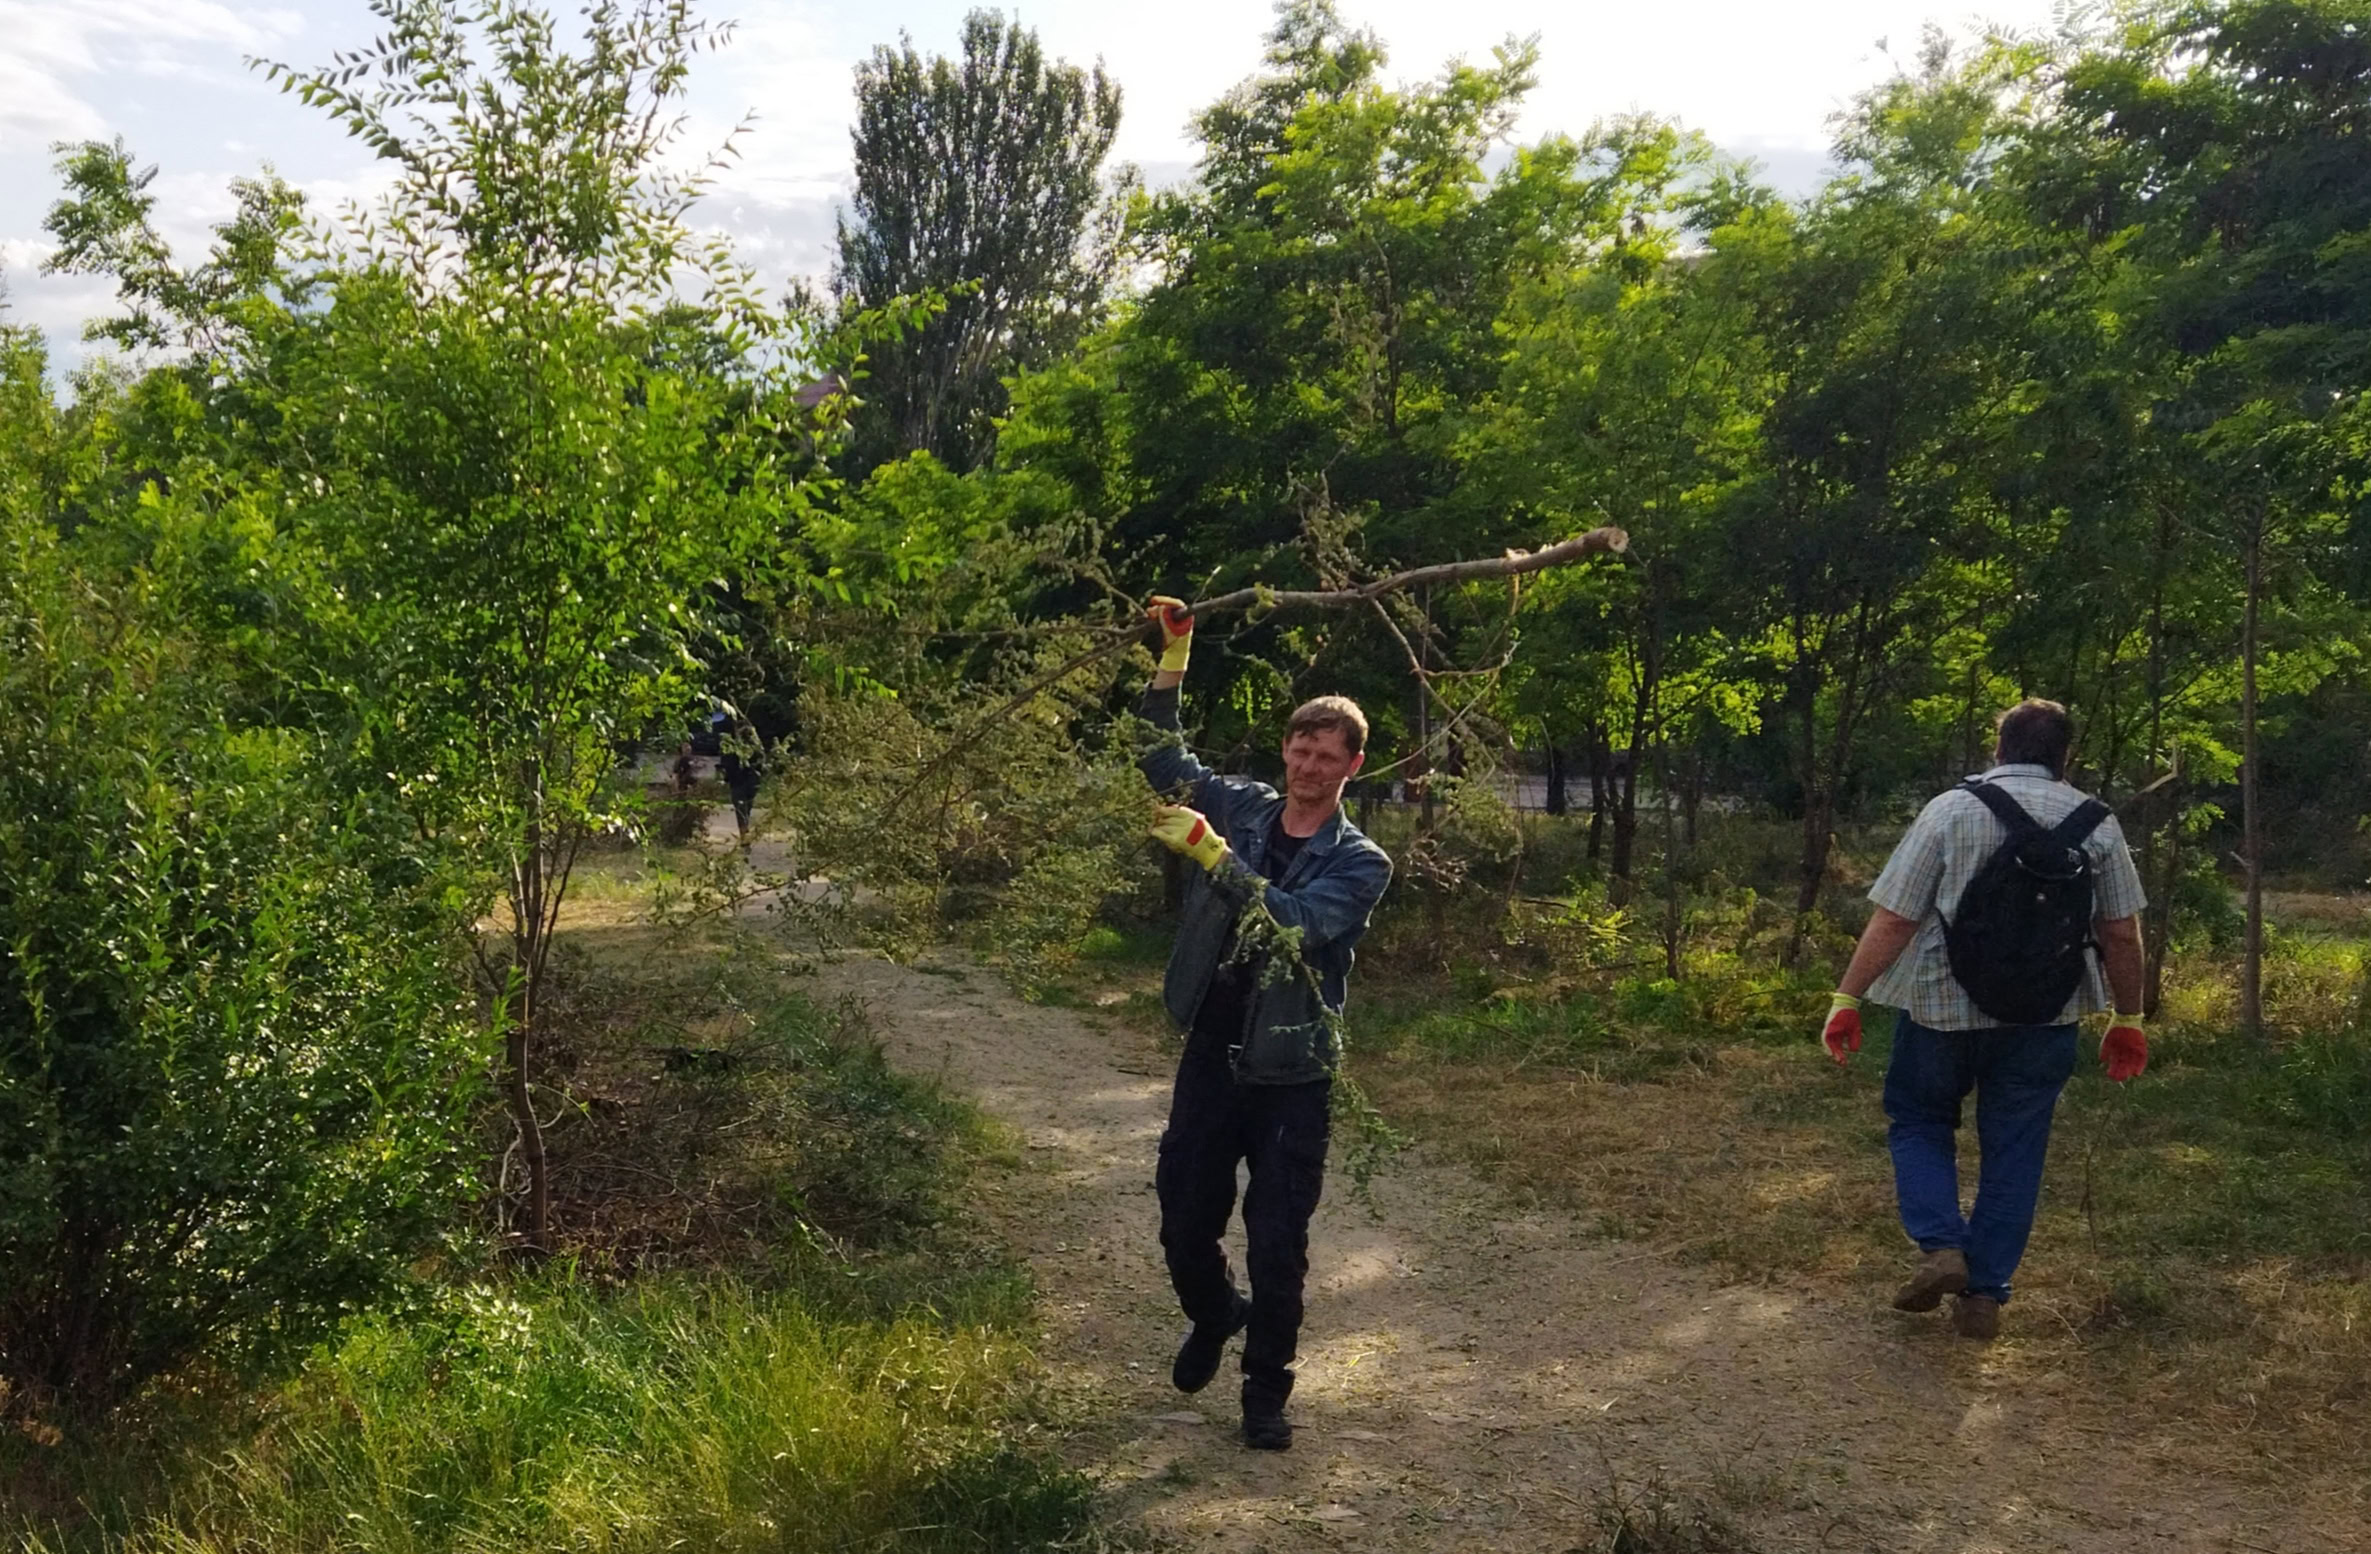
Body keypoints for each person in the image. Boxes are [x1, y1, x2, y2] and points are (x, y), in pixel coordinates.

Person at [1137, 594, 1393, 1450]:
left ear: (1353, 765)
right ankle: (1215, 1314)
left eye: (1327, 756)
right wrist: (1174, 654)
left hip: (1292, 1075)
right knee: (1182, 1217)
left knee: (1278, 1242)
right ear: (1284, 748)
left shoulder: (1360, 862)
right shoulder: (1245, 805)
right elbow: (1156, 753)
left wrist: (1210, 852)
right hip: (1213, 1053)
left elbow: (1292, 926)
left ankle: (1264, 1396)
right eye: (1299, 748)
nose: (1308, 767)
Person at [1820, 699, 2150, 1341]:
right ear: (2066, 758)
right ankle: (1984, 1298)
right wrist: (2128, 1017)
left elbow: (1895, 918)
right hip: (2045, 1017)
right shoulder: (2099, 826)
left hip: (1941, 1011)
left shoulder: (1950, 810)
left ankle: (1942, 1245)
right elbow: (2121, 934)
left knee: (1918, 1119)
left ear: (1999, 748)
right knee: (2016, 1149)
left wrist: (1848, 998)